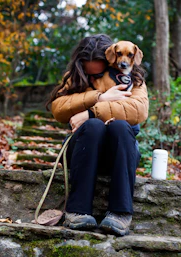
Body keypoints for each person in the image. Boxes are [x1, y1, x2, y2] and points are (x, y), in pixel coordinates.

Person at [46, 34, 149, 236]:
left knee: (119, 126)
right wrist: (99, 96)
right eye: (90, 73)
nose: (96, 78)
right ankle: (77, 210)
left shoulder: (133, 78)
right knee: (93, 127)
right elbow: (58, 108)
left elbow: (139, 110)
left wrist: (91, 112)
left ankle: (120, 213)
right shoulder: (74, 77)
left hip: (119, 152)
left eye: (101, 72)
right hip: (83, 150)